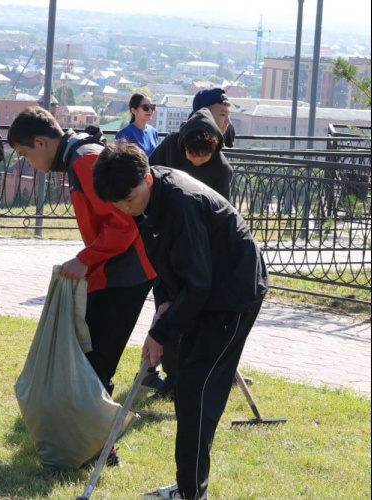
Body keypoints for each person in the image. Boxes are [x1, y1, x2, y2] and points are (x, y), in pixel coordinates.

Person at [92, 142, 268, 500]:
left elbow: (199, 283)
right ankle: (189, 489)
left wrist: (160, 333)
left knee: (195, 393)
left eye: (128, 200)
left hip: (232, 292)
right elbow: (164, 258)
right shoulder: (146, 201)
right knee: (187, 385)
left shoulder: (181, 203)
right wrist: (164, 302)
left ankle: (191, 493)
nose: (125, 209)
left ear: (146, 178)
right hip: (206, 287)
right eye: (117, 204)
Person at [7, 106, 155, 464]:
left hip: (126, 272)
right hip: (116, 270)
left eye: (25, 154)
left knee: (95, 362)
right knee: (92, 359)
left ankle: (99, 449)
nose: (28, 163)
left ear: (40, 143)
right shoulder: (79, 157)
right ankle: (93, 445)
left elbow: (123, 223)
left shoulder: (84, 161)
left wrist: (85, 259)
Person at [146, 106, 234, 396]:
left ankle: (195, 376)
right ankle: (169, 376)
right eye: (191, 156)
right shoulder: (170, 147)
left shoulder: (221, 169)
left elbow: (221, 214)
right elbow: (148, 177)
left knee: (193, 309)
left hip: (200, 244)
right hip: (167, 236)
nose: (195, 162)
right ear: (183, 145)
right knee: (168, 307)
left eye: (202, 158)